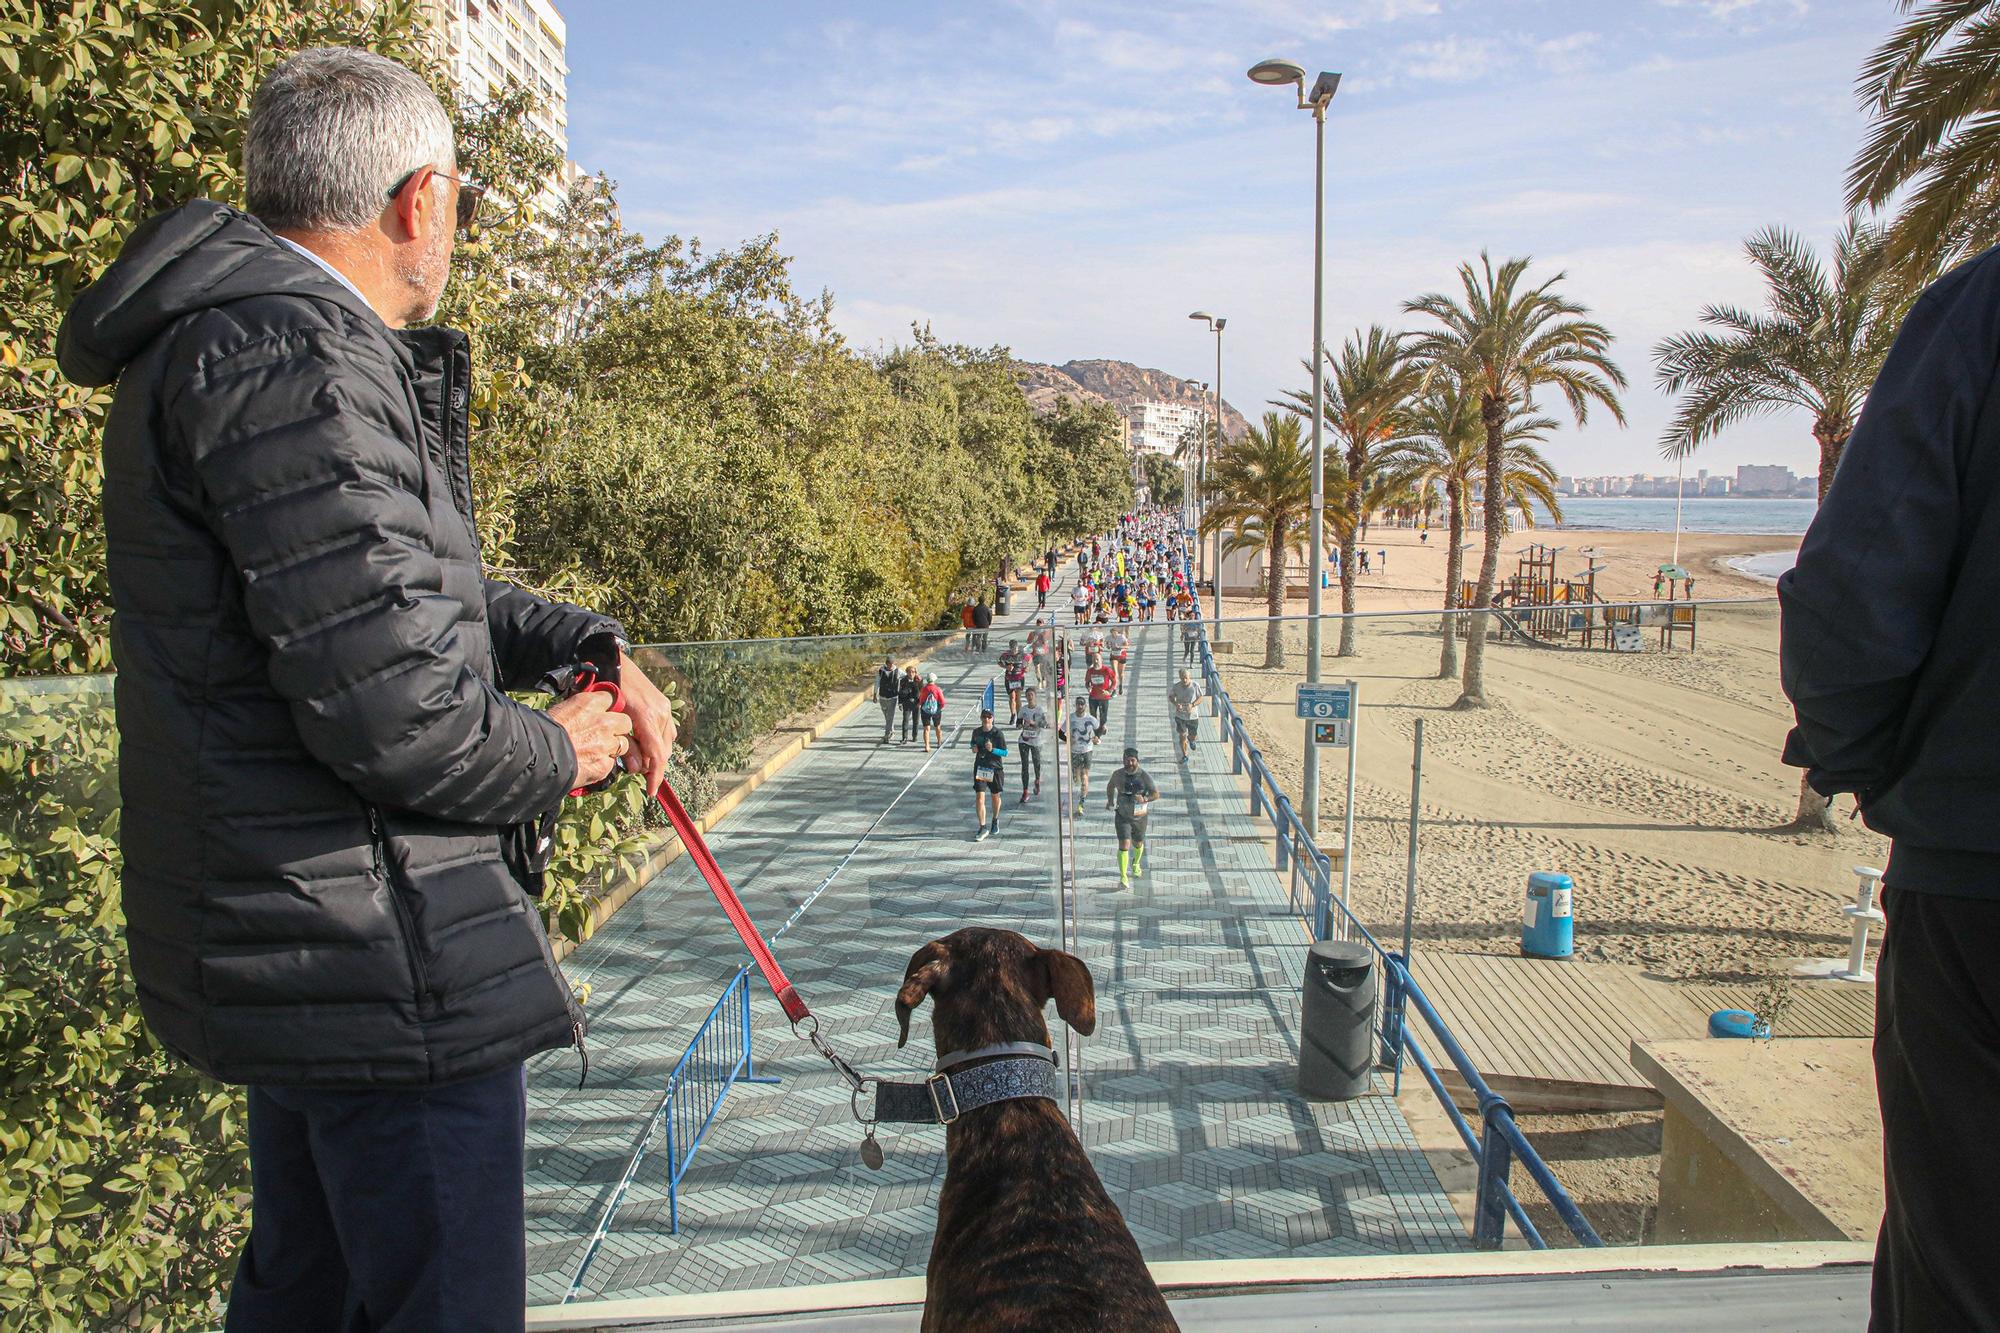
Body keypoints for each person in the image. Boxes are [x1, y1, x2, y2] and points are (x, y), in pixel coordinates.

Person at [52, 48, 681, 1332]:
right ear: (421, 200)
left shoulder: (243, 342)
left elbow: (392, 602)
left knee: (308, 1289)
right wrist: (566, 750)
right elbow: (404, 714)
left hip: (316, 941)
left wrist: (582, 639)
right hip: (379, 958)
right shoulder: (297, 358)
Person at [1778, 248, 2000, 1332]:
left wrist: (1867, 767)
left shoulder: (1980, 310)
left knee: (1957, 1256)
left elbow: (1849, 597)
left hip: (1978, 882)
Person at [1104, 747, 1160, 889]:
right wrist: (1110, 801)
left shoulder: (1144, 776)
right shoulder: (1117, 774)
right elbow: (1110, 786)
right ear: (1123, 760)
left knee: (1138, 843)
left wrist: (1145, 798)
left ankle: (1135, 863)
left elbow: (1156, 794)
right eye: (1127, 760)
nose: (1129, 763)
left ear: (1137, 761)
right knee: (1124, 844)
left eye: (1132, 760)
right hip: (1122, 815)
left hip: (1139, 817)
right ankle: (1123, 877)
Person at [970, 709, 1009, 840]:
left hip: (995, 768)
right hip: (981, 767)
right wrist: (974, 748)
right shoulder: (976, 732)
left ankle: (995, 819)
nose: (986, 719)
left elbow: (1005, 753)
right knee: (979, 797)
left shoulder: (998, 734)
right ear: (981, 718)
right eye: (984, 717)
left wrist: (993, 749)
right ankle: (982, 827)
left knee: (995, 797)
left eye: (989, 717)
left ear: (992, 718)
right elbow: (973, 744)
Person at [1064, 695, 1101, 816]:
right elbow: (1060, 732)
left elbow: (1099, 730)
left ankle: (1081, 803)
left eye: (1082, 704)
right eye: (1078, 704)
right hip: (1074, 751)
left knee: (1085, 776)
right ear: (1075, 705)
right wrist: (1068, 739)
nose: (1080, 706)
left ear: (1085, 706)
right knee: (1076, 778)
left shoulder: (1091, 719)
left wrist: (1097, 738)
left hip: (1087, 751)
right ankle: (1078, 794)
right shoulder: (1071, 718)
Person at [1016, 687, 1049, 802]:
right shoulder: (1023, 709)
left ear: (1035, 697)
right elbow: (1018, 724)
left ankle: (1037, 780)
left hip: (1036, 741)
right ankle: (1025, 791)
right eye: (1028, 695)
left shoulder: (1040, 710)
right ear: (1026, 697)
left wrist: (1034, 723)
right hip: (1024, 740)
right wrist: (1022, 725)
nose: (1030, 697)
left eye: (1032, 695)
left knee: (1037, 763)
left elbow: (1045, 724)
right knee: (1024, 766)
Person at [1169, 669, 1203, 762]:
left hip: (1192, 716)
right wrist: (1176, 704)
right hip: (1180, 716)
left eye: (1186, 678)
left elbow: (1201, 698)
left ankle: (1191, 740)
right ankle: (1185, 755)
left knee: (1192, 735)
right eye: (1182, 678)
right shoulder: (1176, 687)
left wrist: (1192, 705)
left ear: (1189, 677)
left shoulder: (1195, 686)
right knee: (1182, 736)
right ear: (1179, 678)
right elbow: (1171, 696)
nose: (1184, 680)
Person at [1085, 652, 1117, 732]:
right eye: (1094, 659)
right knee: (1093, 715)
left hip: (1103, 697)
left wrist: (1109, 691)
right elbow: (1087, 682)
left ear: (1101, 660)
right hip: (1093, 696)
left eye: (1097, 659)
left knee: (1103, 716)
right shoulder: (1090, 671)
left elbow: (1114, 682)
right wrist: (1088, 687)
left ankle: (1102, 725)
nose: (1095, 661)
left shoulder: (1107, 670)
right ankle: (1097, 732)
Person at [999, 639, 1027, 724]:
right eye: (1012, 649)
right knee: (1012, 697)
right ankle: (1013, 714)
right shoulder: (1006, 655)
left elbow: (1029, 659)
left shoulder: (1022, 655)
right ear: (1010, 648)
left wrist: (1026, 667)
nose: (1014, 651)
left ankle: (1019, 716)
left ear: (1017, 647)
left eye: (1015, 649)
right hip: (1009, 679)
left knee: (1018, 698)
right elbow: (999, 662)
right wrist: (1005, 667)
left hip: (1019, 678)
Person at [875, 656, 901, 744]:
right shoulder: (881, 671)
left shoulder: (897, 671)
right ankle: (892, 729)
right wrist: (875, 694)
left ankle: (887, 734)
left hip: (893, 697)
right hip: (882, 697)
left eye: (892, 664)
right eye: (889, 664)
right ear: (886, 663)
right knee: (886, 715)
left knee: (890, 716)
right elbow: (877, 683)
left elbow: (907, 676)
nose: (890, 666)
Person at [919, 673, 946, 752]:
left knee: (926, 728)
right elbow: (942, 702)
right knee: (937, 727)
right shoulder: (937, 689)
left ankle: (927, 745)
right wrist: (939, 708)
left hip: (925, 710)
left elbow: (921, 700)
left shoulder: (924, 689)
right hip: (936, 710)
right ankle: (939, 742)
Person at [898, 664, 922, 744]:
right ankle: (904, 738)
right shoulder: (903, 681)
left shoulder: (919, 680)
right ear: (906, 673)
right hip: (906, 703)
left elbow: (921, 692)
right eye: (909, 672)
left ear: (915, 673)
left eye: (913, 672)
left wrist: (921, 702)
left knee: (916, 721)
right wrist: (900, 703)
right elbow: (900, 693)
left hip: (916, 704)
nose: (911, 673)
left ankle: (914, 736)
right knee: (905, 721)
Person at [1108, 625, 1131, 694]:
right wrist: (1108, 646)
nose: (1113, 635)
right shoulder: (1109, 638)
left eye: (1114, 633)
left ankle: (1121, 685)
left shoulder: (1121, 637)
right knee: (1115, 672)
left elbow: (1127, 646)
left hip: (1122, 656)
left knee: (1121, 674)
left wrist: (1119, 647)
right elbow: (1107, 645)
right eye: (1112, 633)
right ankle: (1114, 688)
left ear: (1117, 632)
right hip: (1113, 656)